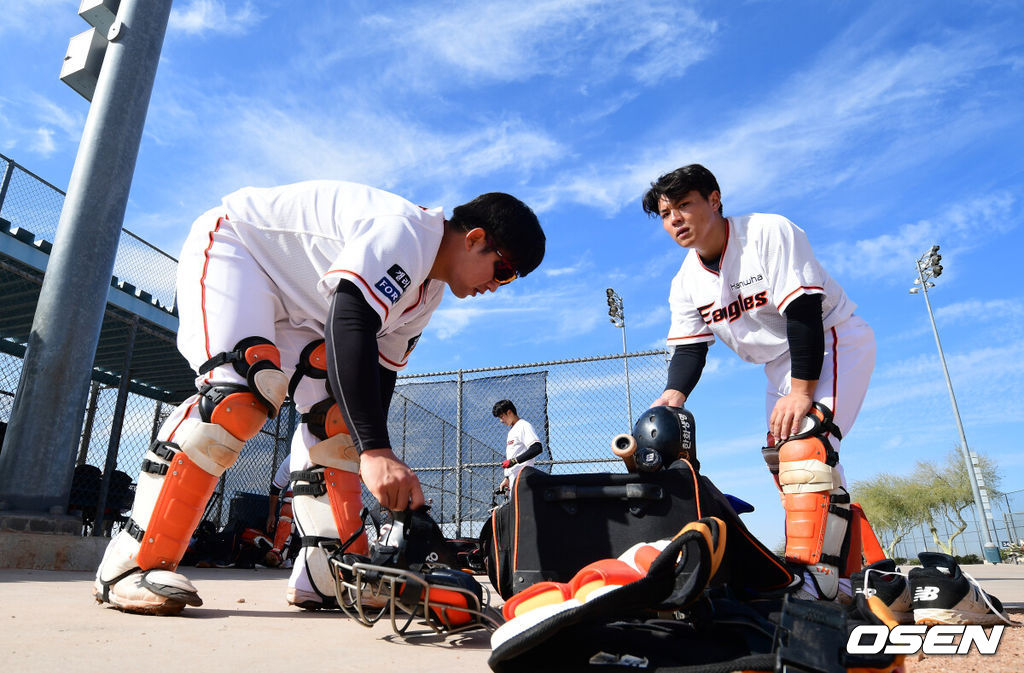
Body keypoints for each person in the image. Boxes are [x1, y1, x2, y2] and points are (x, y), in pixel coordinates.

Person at [93, 180, 545, 614]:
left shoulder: (428, 295)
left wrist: (374, 452)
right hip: (241, 251)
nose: (496, 286)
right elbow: (351, 319)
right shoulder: (408, 231)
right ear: (475, 238)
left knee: (338, 430)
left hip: (308, 305)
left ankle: (326, 576)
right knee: (237, 398)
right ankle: (132, 563)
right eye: (502, 269)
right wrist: (377, 451)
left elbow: (376, 374)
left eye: (510, 281)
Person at [642, 164, 875, 601]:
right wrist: (673, 395)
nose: (675, 219)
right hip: (778, 364)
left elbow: (804, 310)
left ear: (714, 199)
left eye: (684, 205)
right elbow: (691, 349)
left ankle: (814, 580)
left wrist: (803, 392)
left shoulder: (767, 232)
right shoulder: (685, 280)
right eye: (665, 213)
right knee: (792, 468)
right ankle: (858, 575)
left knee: (807, 446)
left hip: (832, 337)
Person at [492, 400, 543, 492]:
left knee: (521, 506)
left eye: (501, 417)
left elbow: (536, 448)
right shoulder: (512, 431)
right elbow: (515, 453)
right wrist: (507, 478)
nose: (501, 421)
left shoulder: (523, 426)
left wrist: (514, 461)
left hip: (523, 478)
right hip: (514, 479)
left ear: (509, 412)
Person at [263, 453, 294, 568]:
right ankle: (279, 551)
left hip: (326, 498)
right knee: (288, 508)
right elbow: (275, 488)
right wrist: (271, 515)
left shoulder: (333, 449)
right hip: (301, 496)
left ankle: (281, 552)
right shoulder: (294, 456)